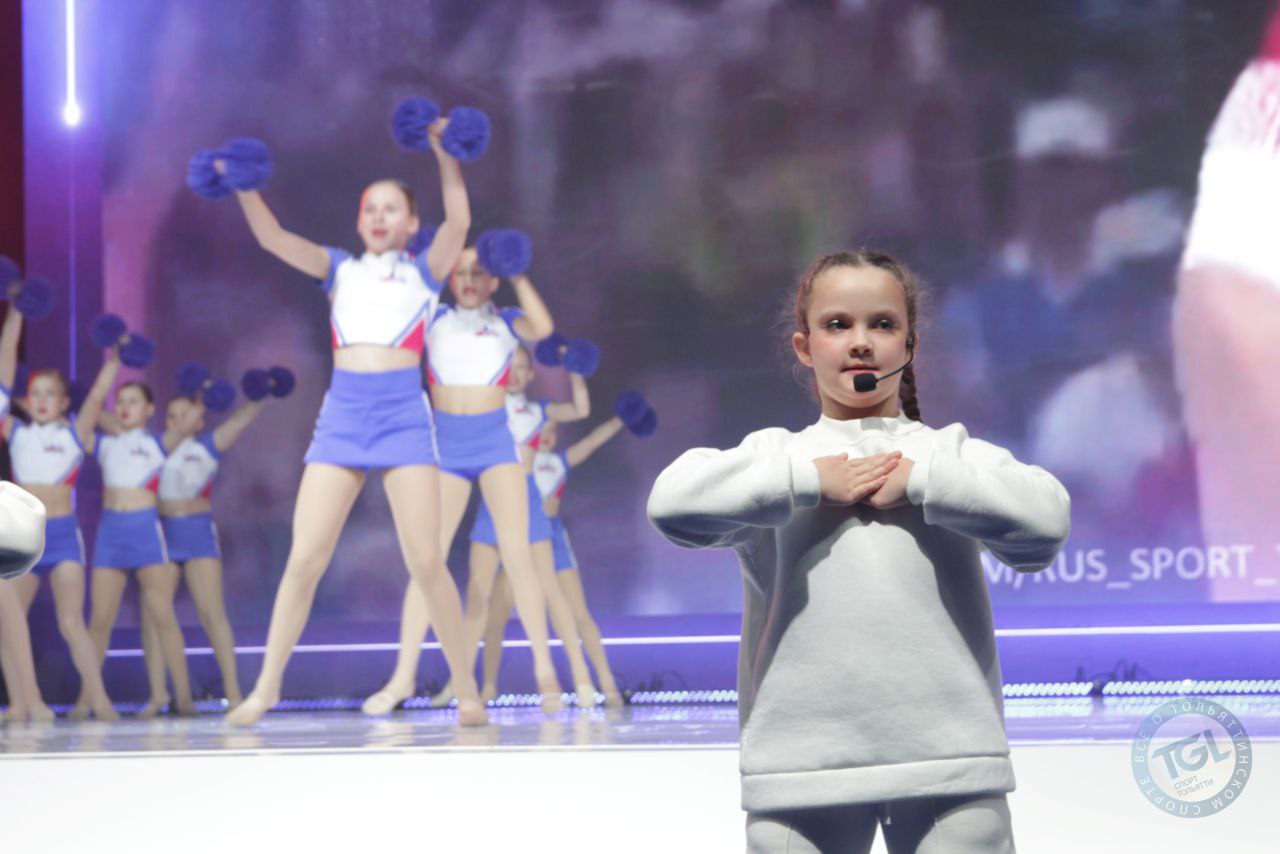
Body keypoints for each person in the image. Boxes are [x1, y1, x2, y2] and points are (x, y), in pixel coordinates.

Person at [647, 250, 1070, 853]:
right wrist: (808, 480)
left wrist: (924, 480)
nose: (861, 342)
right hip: (803, 765)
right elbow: (671, 506)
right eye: (837, 324)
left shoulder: (947, 454)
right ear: (804, 346)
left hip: (949, 760)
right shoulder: (778, 457)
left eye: (883, 324)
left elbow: (1047, 522)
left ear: (910, 346)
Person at [211, 120, 489, 726]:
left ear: (412, 224)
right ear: (360, 222)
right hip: (343, 417)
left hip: (402, 417)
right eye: (371, 209)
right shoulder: (338, 269)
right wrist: (243, 186)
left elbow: (460, 221)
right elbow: (272, 238)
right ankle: (265, 689)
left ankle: (467, 690)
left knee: (426, 562)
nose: (380, 217)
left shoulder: (424, 271)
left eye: (392, 209)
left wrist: (444, 154)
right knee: (305, 558)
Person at [362, 246, 596, 715]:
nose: (469, 279)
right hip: (445, 447)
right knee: (426, 560)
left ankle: (545, 675)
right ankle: (403, 676)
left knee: (520, 558)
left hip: (494, 443)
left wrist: (519, 274)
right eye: (461, 272)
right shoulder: (434, 317)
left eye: (479, 272)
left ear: (493, 280)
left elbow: (543, 328)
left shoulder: (507, 321)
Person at [1, 292, 121, 721]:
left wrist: (116, 357)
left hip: (64, 537)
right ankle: (21, 704)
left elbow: (99, 395)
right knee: (7, 620)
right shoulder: (15, 431)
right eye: (35, 393)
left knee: (71, 622)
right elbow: (4, 371)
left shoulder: (74, 434)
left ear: (64, 402)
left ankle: (100, 700)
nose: (41, 399)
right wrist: (15, 315)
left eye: (50, 394)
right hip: (23, 537)